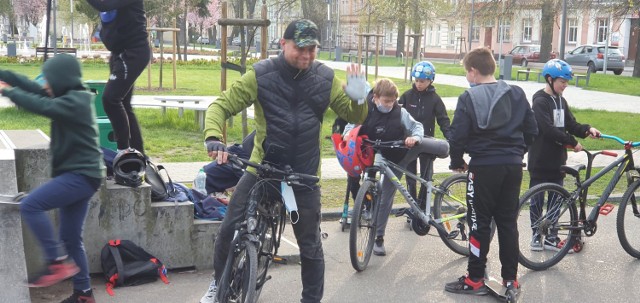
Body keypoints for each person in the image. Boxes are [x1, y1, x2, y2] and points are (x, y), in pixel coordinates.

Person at [199, 19, 369, 303]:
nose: (306, 54)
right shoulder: (261, 74)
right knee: (229, 229)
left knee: (311, 246)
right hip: (263, 169)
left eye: (312, 49)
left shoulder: (325, 79)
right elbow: (221, 105)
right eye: (300, 48)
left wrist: (360, 98)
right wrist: (213, 137)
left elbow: (356, 117)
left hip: (303, 176)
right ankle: (219, 283)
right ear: (283, 44)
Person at [0, 54, 105, 303]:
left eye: (48, 79)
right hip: (83, 175)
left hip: (81, 176)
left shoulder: (76, 101)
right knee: (70, 236)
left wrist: (8, 92)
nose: (44, 83)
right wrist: (5, 75)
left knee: (31, 205)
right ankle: (84, 294)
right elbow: (32, 88)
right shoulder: (67, 95)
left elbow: (43, 106)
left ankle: (56, 262)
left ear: (61, 79)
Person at [445, 47, 538, 297]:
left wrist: (456, 161)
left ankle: (475, 278)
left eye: (467, 72)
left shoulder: (469, 97)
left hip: (483, 167)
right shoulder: (517, 93)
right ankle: (511, 280)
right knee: (508, 222)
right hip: (513, 166)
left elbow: (458, 135)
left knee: (478, 222)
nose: (467, 77)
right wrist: (517, 153)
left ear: (473, 72)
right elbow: (532, 130)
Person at [341, 78, 424, 256]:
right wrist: (347, 135)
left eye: (393, 101)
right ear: (375, 98)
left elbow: (417, 126)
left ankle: (379, 237)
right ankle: (367, 201)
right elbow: (350, 125)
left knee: (386, 195)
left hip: (396, 154)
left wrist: (414, 138)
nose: (390, 104)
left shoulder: (399, 112)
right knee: (363, 180)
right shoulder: (365, 109)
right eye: (386, 101)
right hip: (372, 151)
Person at [527, 59, 600, 251]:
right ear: (550, 79)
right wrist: (571, 142)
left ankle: (551, 236)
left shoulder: (561, 100)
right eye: (562, 81)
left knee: (555, 200)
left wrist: (586, 130)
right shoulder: (539, 102)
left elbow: (571, 124)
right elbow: (548, 130)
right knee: (537, 200)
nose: (565, 85)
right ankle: (536, 234)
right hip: (540, 160)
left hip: (557, 161)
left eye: (567, 82)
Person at [85, 0, 150, 154]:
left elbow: (104, 5)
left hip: (133, 52)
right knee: (124, 104)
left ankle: (124, 150)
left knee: (110, 99)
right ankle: (138, 155)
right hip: (118, 53)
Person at [399, 61, 451, 207]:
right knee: (410, 176)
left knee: (426, 176)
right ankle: (413, 205)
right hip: (409, 143)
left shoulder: (435, 99)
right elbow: (396, 117)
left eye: (422, 81)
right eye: (416, 80)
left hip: (427, 143)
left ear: (430, 80)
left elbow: (443, 120)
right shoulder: (406, 96)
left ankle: (423, 205)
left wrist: (451, 139)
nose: (418, 84)